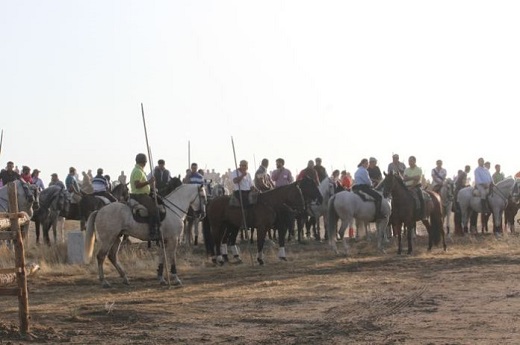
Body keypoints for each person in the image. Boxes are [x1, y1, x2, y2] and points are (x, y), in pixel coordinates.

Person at [130, 153, 159, 240]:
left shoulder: (139, 170)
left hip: (144, 194)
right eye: (145, 162)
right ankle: (152, 231)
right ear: (144, 162)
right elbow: (137, 185)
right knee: (154, 209)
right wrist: (148, 182)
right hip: (139, 195)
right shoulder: (138, 171)